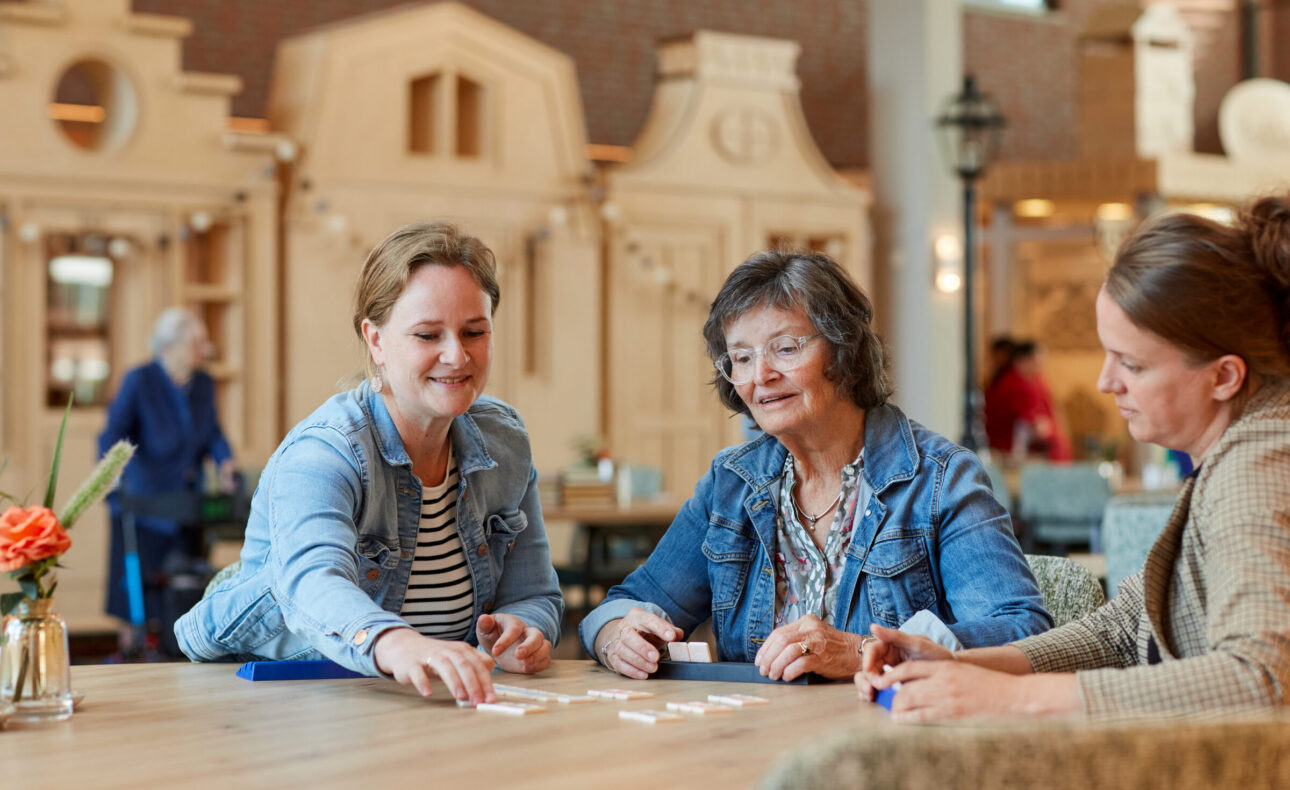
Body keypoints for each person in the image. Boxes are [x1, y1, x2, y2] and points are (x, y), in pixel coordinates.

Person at [858, 195, 1290, 719]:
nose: (1106, 383)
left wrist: (1011, 698)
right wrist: (967, 663)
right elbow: (1125, 627)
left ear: (1224, 376)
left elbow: (1262, 679)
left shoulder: (1258, 464)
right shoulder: (1241, 451)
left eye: (1131, 364)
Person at [580, 249, 1050, 682]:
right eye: (741, 358)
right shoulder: (731, 484)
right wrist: (615, 637)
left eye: (785, 348)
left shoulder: (941, 478)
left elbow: (1023, 632)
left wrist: (864, 651)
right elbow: (622, 607)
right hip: (751, 747)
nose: (760, 376)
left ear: (843, 351)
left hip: (889, 741)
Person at [176, 223, 562, 705]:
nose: (456, 355)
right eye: (427, 334)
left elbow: (535, 593)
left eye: (474, 332)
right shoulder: (324, 451)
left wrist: (523, 631)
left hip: (419, 705)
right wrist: (396, 644)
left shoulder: (505, 439)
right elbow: (314, 581)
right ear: (375, 340)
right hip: (269, 697)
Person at [100, 307, 235, 626]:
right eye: (197, 343)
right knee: (140, 600)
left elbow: (212, 431)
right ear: (171, 347)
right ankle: (137, 653)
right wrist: (112, 476)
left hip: (186, 503)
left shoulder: (202, 383)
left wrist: (224, 460)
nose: (205, 350)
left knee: (185, 586)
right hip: (145, 503)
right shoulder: (140, 380)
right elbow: (113, 434)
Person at [984, 340, 1073, 461]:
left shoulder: (1037, 381)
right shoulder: (1012, 383)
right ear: (1021, 361)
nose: (1039, 367)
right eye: (1035, 362)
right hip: (1010, 446)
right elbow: (1025, 421)